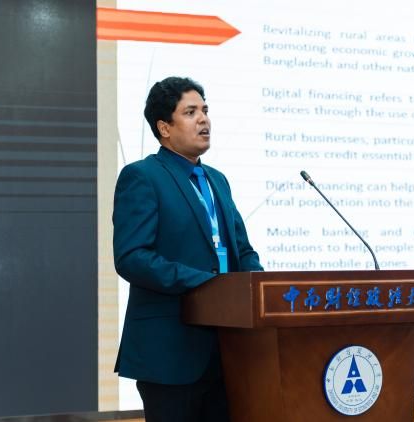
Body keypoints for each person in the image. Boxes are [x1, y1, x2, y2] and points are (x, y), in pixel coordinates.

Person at [112, 76, 263, 422]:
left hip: (228, 351)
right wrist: (206, 283)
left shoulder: (217, 180)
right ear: (164, 127)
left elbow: (242, 249)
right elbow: (132, 257)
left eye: (205, 110)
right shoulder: (142, 177)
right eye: (191, 112)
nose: (204, 119)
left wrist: (259, 287)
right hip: (169, 351)